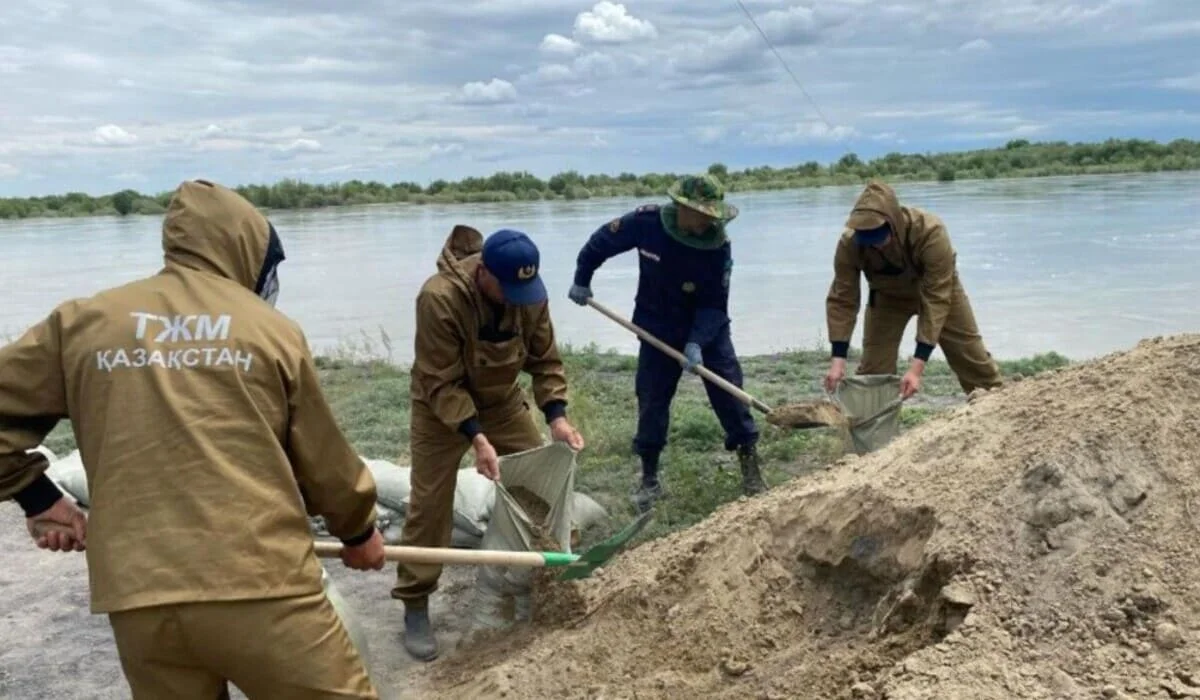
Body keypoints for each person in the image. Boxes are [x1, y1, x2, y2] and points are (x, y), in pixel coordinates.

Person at [0, 179, 386, 699]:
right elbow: (327, 462)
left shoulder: (81, 323)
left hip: (139, 600)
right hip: (261, 587)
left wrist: (39, 498)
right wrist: (359, 532)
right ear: (247, 250)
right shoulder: (270, 329)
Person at [393, 225, 584, 662]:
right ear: (484, 273)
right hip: (440, 408)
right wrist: (476, 438)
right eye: (510, 289)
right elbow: (440, 382)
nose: (520, 297)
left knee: (538, 482)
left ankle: (544, 579)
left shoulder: (529, 294)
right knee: (429, 504)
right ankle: (416, 600)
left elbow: (545, 359)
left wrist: (557, 416)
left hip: (500, 401)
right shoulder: (438, 298)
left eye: (526, 288)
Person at [567, 173, 766, 513]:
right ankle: (649, 479)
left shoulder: (718, 245)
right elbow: (601, 242)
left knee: (730, 394)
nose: (707, 221)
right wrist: (582, 279)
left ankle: (751, 470)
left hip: (707, 329)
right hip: (656, 326)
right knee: (652, 400)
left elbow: (716, 304)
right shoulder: (647, 223)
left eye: (711, 215)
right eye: (701, 214)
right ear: (681, 208)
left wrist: (696, 342)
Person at [824, 178, 1004, 399]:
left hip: (941, 291)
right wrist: (838, 360)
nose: (873, 243)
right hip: (887, 297)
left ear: (894, 222)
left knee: (972, 360)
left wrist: (916, 367)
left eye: (878, 235)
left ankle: (999, 411)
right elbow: (843, 298)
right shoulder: (850, 244)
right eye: (866, 237)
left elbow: (936, 299)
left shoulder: (930, 232)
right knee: (873, 374)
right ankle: (875, 429)